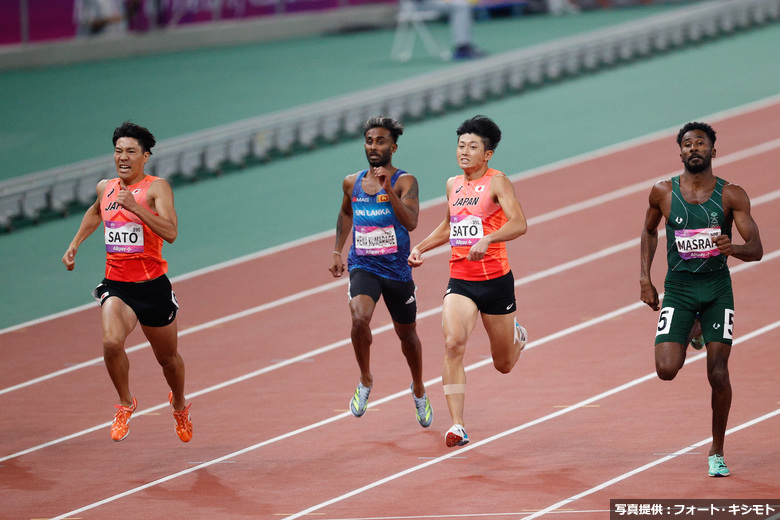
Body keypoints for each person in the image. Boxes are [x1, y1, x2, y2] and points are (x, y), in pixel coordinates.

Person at [640, 122, 763, 477]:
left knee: (718, 372)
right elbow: (649, 229)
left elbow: (756, 248)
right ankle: (693, 328)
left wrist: (734, 248)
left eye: (701, 143)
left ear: (713, 150)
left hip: (717, 290)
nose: (694, 148)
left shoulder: (732, 195)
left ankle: (717, 450)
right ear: (680, 153)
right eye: (688, 144)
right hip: (678, 289)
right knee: (665, 370)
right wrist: (644, 278)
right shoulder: (662, 192)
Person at [62, 121, 193, 443]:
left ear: (145, 156)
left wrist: (136, 207)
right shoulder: (104, 187)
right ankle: (125, 402)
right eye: (118, 151)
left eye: (131, 151)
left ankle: (178, 404)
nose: (123, 157)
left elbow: (171, 233)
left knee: (168, 360)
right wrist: (75, 243)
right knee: (110, 342)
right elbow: (95, 212)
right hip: (117, 284)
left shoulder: (157, 188)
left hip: (152, 286)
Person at [408, 115, 528, 447]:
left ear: (487, 154)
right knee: (452, 344)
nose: (464, 152)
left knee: (503, 364)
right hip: (460, 280)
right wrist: (421, 246)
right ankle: (458, 425)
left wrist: (489, 240)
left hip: (496, 281)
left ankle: (517, 337)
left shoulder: (498, 182)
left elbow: (519, 223)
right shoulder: (453, 185)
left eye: (472, 147)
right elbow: (449, 227)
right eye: (461, 145)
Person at [329, 116, 433, 429]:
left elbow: (412, 222)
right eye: (370, 141)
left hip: (397, 270)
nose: (374, 147)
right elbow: (346, 212)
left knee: (408, 337)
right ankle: (365, 379)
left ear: (393, 146)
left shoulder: (405, 182)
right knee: (359, 318)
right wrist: (337, 250)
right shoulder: (352, 182)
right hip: (364, 264)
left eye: (381, 141)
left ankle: (418, 389)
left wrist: (388, 191)